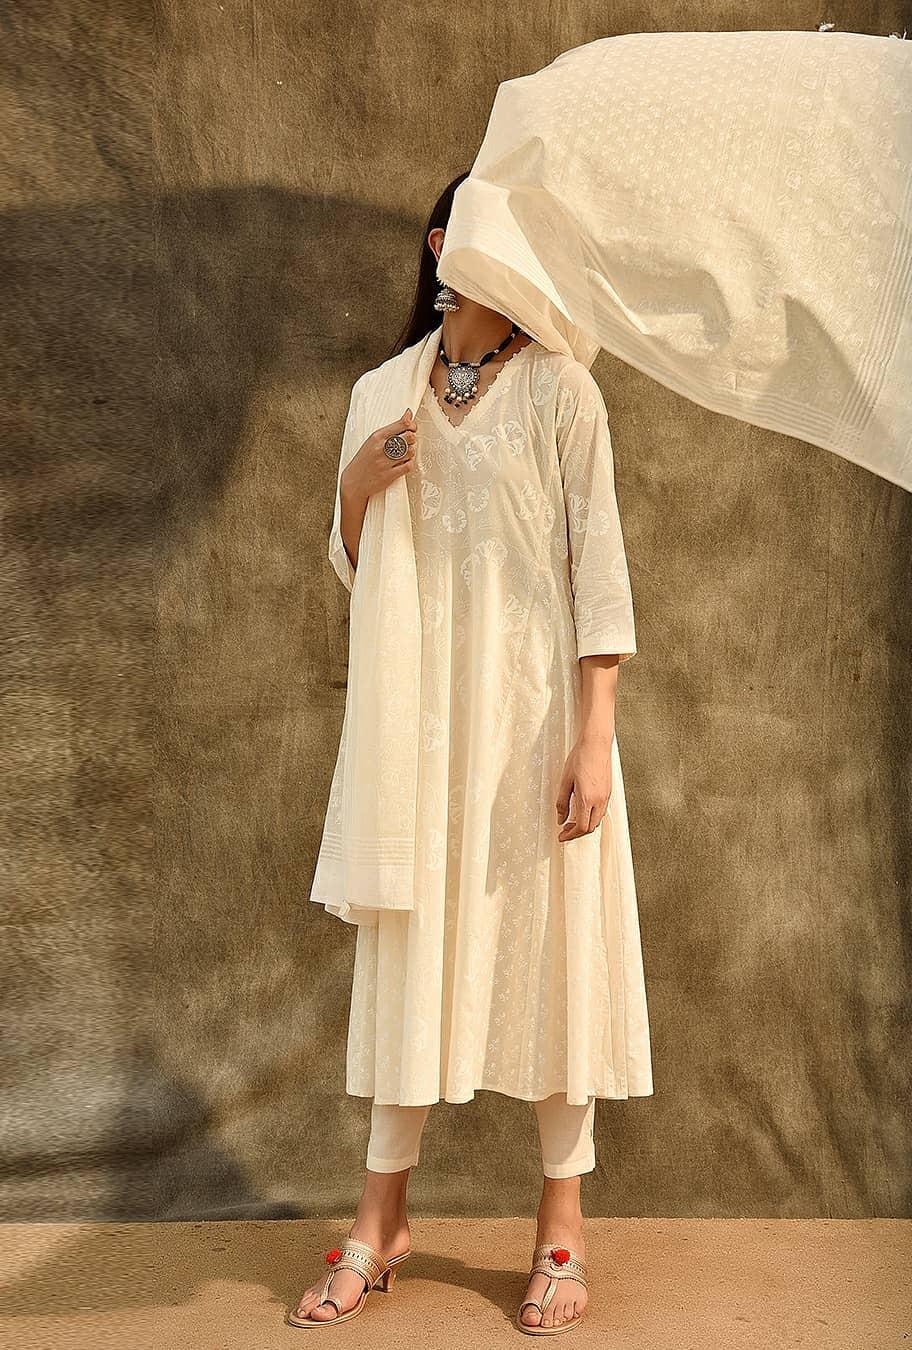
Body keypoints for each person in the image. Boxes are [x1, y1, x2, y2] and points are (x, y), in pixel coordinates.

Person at [289, 173, 653, 1335]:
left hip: (535, 721)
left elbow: (600, 572)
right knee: (413, 954)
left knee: (550, 958)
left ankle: (561, 1223)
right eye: (491, 232)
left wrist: (595, 738)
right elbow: (349, 556)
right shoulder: (380, 392)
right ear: (446, 246)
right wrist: (364, 475)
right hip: (418, 722)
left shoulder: (562, 393)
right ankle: (382, 1219)